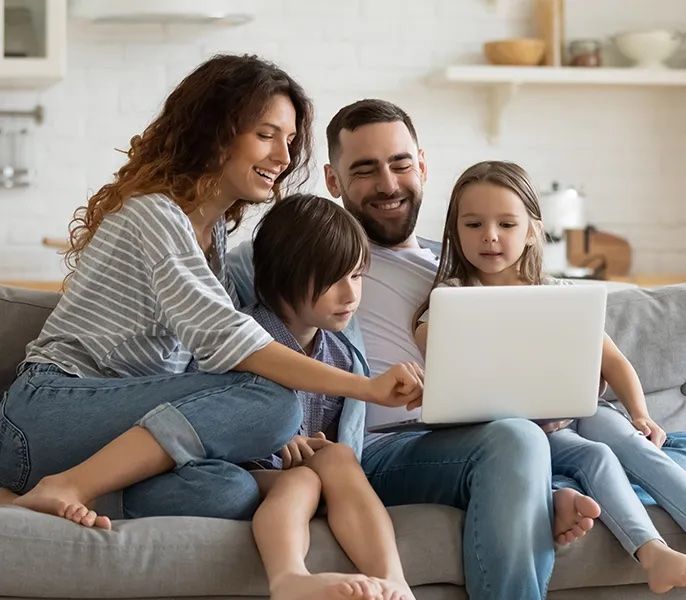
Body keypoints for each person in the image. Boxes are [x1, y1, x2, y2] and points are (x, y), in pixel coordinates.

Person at [0, 53, 422, 569]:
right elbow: (235, 344)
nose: (284, 156)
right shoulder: (155, 215)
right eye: (267, 134)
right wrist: (366, 387)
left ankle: (46, 494)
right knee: (275, 402)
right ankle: (67, 484)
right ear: (216, 131)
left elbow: (225, 346)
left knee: (230, 492)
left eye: (289, 141)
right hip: (50, 412)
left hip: (109, 431)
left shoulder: (215, 238)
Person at [311, 99, 600, 600]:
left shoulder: (465, 265)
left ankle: (538, 491)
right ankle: (539, 490)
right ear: (333, 181)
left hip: (472, 436)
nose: (388, 183)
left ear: (421, 165)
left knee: (530, 439)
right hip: (379, 451)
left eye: (400, 164)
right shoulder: (316, 258)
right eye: (365, 169)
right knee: (516, 441)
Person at [413, 159, 686, 594]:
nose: (490, 236)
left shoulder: (558, 294)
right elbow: (444, 362)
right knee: (593, 458)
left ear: (532, 230)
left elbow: (614, 363)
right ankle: (652, 552)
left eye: (506, 223)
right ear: (454, 231)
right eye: (473, 224)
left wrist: (640, 413)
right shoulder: (452, 299)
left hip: (580, 409)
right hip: (523, 430)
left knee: (625, 439)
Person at [243, 193, 415, 600]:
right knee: (301, 479)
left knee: (339, 456)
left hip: (319, 476)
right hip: (249, 471)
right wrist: (274, 435)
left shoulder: (340, 352)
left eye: (356, 276)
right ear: (283, 275)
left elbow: (339, 439)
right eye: (333, 279)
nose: (351, 294)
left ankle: (396, 582)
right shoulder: (246, 337)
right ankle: (289, 578)